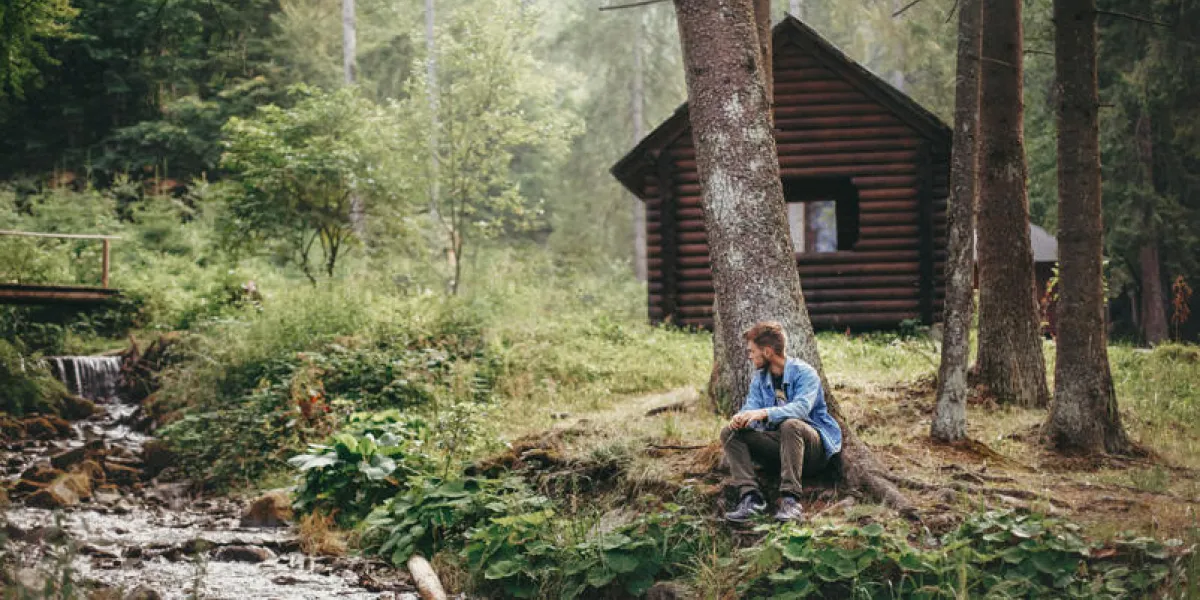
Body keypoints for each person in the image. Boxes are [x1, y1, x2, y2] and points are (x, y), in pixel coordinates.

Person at [720, 321, 842, 523]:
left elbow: (801, 409)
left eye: (752, 351)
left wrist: (764, 413)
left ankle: (790, 500)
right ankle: (751, 498)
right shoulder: (760, 378)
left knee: (790, 424)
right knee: (729, 433)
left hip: (812, 451)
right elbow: (751, 407)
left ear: (767, 352)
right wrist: (741, 419)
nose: (749, 356)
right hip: (779, 449)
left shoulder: (805, 373)